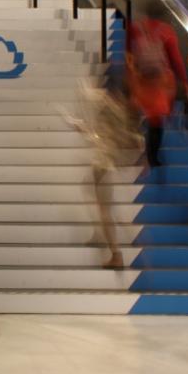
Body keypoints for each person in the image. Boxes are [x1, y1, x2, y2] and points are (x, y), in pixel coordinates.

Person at [62, 73, 143, 269]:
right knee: (89, 190)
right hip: (105, 162)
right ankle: (100, 234)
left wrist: (77, 124)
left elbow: (95, 133)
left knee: (104, 208)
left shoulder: (108, 107)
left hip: (103, 163)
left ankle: (116, 254)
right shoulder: (121, 110)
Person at [127, 0, 188, 168]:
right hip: (158, 82)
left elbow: (128, 53)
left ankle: (133, 144)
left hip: (141, 79)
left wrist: (131, 74)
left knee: (135, 111)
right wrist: (184, 80)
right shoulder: (167, 31)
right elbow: (175, 59)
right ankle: (153, 156)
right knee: (156, 120)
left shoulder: (135, 28)